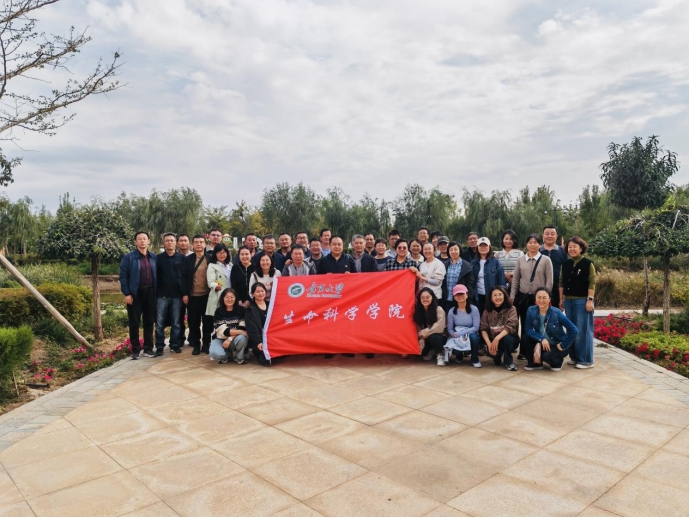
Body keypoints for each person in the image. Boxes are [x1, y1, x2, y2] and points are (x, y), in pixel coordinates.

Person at [510, 234, 554, 367]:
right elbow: (516, 279)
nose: (532, 244)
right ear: (526, 245)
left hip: (539, 299)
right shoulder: (521, 259)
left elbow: (549, 280)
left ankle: (538, 351)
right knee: (524, 324)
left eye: (535, 242)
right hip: (523, 297)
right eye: (530, 242)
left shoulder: (546, 260)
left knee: (538, 325)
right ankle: (523, 351)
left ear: (539, 244)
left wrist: (545, 298)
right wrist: (512, 296)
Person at [559, 236, 596, 369]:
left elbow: (592, 282)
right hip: (568, 300)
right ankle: (574, 357)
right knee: (572, 329)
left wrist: (590, 300)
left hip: (582, 300)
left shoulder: (588, 263)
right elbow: (561, 282)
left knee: (583, 330)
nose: (572, 249)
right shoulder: (566, 264)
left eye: (575, 246)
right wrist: (561, 299)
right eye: (569, 247)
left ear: (581, 248)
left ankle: (586, 360)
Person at [119, 231, 157, 360]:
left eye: (144, 239)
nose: (142, 241)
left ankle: (148, 348)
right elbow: (123, 276)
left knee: (149, 321)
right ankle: (135, 349)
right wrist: (127, 293)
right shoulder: (129, 258)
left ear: (148, 241)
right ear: (135, 242)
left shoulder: (153, 257)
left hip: (150, 293)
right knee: (134, 322)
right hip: (135, 294)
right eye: (139, 239)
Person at [524, 287, 579, 371]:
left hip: (557, 345)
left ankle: (558, 362)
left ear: (549, 299)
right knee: (526, 338)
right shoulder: (531, 310)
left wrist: (563, 345)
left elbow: (574, 330)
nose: (541, 300)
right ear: (535, 298)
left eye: (544, 298)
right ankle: (536, 363)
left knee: (546, 357)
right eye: (539, 297)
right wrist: (541, 338)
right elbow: (528, 329)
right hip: (543, 343)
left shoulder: (556, 312)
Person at [183, 235, 213, 355]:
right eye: (196, 242)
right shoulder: (188, 259)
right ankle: (196, 345)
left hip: (207, 296)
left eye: (201, 242)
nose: (199, 244)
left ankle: (206, 345)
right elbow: (183, 278)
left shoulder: (210, 258)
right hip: (193, 297)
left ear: (205, 244)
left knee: (208, 322)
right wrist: (185, 294)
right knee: (193, 323)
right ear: (192, 244)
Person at [155, 232, 184, 355]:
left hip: (177, 296)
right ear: (163, 243)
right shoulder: (158, 258)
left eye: (172, 240)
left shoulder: (182, 258)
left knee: (176, 323)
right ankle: (159, 346)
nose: (169, 242)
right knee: (159, 323)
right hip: (162, 296)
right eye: (167, 241)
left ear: (176, 243)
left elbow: (184, 277)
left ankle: (174, 344)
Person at [479, 286, 519, 371]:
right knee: (493, 354)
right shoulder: (487, 311)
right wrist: (489, 344)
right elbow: (483, 328)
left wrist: (497, 338)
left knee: (507, 338)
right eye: (495, 295)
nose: (498, 297)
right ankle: (497, 356)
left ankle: (508, 361)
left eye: (500, 294)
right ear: (491, 298)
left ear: (504, 296)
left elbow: (510, 326)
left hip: (509, 339)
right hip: (492, 339)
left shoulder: (512, 309)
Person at [209, 288, 249, 365]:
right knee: (214, 354)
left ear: (236, 298)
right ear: (223, 298)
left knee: (243, 338)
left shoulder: (241, 310)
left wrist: (230, 339)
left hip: (235, 339)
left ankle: (239, 357)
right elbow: (223, 331)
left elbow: (242, 328)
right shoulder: (218, 311)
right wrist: (240, 331)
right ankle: (226, 355)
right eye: (227, 297)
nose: (229, 299)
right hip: (220, 339)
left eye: (232, 297)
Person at [445, 284, 481, 367]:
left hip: (470, 333)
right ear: (454, 297)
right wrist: (454, 335)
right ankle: (459, 355)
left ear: (467, 295)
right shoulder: (452, 311)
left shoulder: (474, 309)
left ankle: (474, 359)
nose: (460, 296)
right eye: (457, 294)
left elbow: (476, 327)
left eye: (462, 294)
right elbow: (450, 328)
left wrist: (461, 333)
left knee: (474, 338)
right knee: (456, 351)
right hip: (457, 334)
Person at [472, 237, 506, 314]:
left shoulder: (496, 262)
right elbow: (472, 281)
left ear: (489, 247)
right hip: (478, 296)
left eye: (485, 245)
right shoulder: (474, 263)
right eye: (481, 245)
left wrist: (500, 295)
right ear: (477, 247)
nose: (483, 247)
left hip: (492, 296)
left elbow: (502, 281)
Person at [414, 288, 447, 366]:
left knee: (434, 337)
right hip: (425, 337)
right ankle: (432, 350)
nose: (425, 299)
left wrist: (425, 333)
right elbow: (418, 326)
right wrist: (421, 337)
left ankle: (440, 354)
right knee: (420, 353)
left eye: (428, 297)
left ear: (432, 297)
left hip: (439, 336)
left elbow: (439, 327)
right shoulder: (418, 311)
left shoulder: (438, 309)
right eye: (422, 297)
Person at [441, 241, 476, 313]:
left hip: (462, 299)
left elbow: (470, 284)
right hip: (448, 299)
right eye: (451, 250)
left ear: (460, 250)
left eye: (455, 249)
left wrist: (469, 298)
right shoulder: (444, 265)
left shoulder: (467, 266)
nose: (453, 251)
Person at [245, 282, 271, 366]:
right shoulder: (250, 309)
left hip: (271, 337)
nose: (260, 293)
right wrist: (258, 342)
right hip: (259, 339)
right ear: (253, 294)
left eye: (262, 291)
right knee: (265, 360)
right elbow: (252, 329)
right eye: (258, 292)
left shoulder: (271, 305)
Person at [541, 226, 567, 308]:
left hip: (557, 289)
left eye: (552, 234)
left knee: (556, 313)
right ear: (543, 235)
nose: (549, 236)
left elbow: (566, 270)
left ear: (556, 236)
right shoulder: (537, 250)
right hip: (540, 289)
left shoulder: (562, 251)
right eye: (547, 234)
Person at [205, 243, 232, 318]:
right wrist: (216, 286)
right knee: (219, 319)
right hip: (218, 295)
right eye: (219, 253)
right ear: (215, 254)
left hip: (230, 295)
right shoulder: (212, 265)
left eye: (223, 252)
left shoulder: (230, 265)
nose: (222, 255)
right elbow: (210, 282)